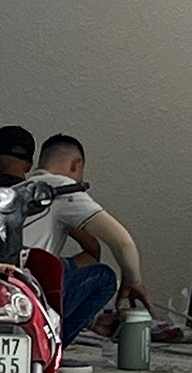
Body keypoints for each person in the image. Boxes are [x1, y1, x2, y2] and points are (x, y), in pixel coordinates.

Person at [23, 134, 150, 343]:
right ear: (75, 164)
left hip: (5, 287)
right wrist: (134, 281)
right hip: (32, 293)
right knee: (104, 277)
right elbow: (122, 242)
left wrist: (89, 320)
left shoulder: (19, 190)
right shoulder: (61, 189)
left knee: (62, 265)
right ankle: (51, 346)